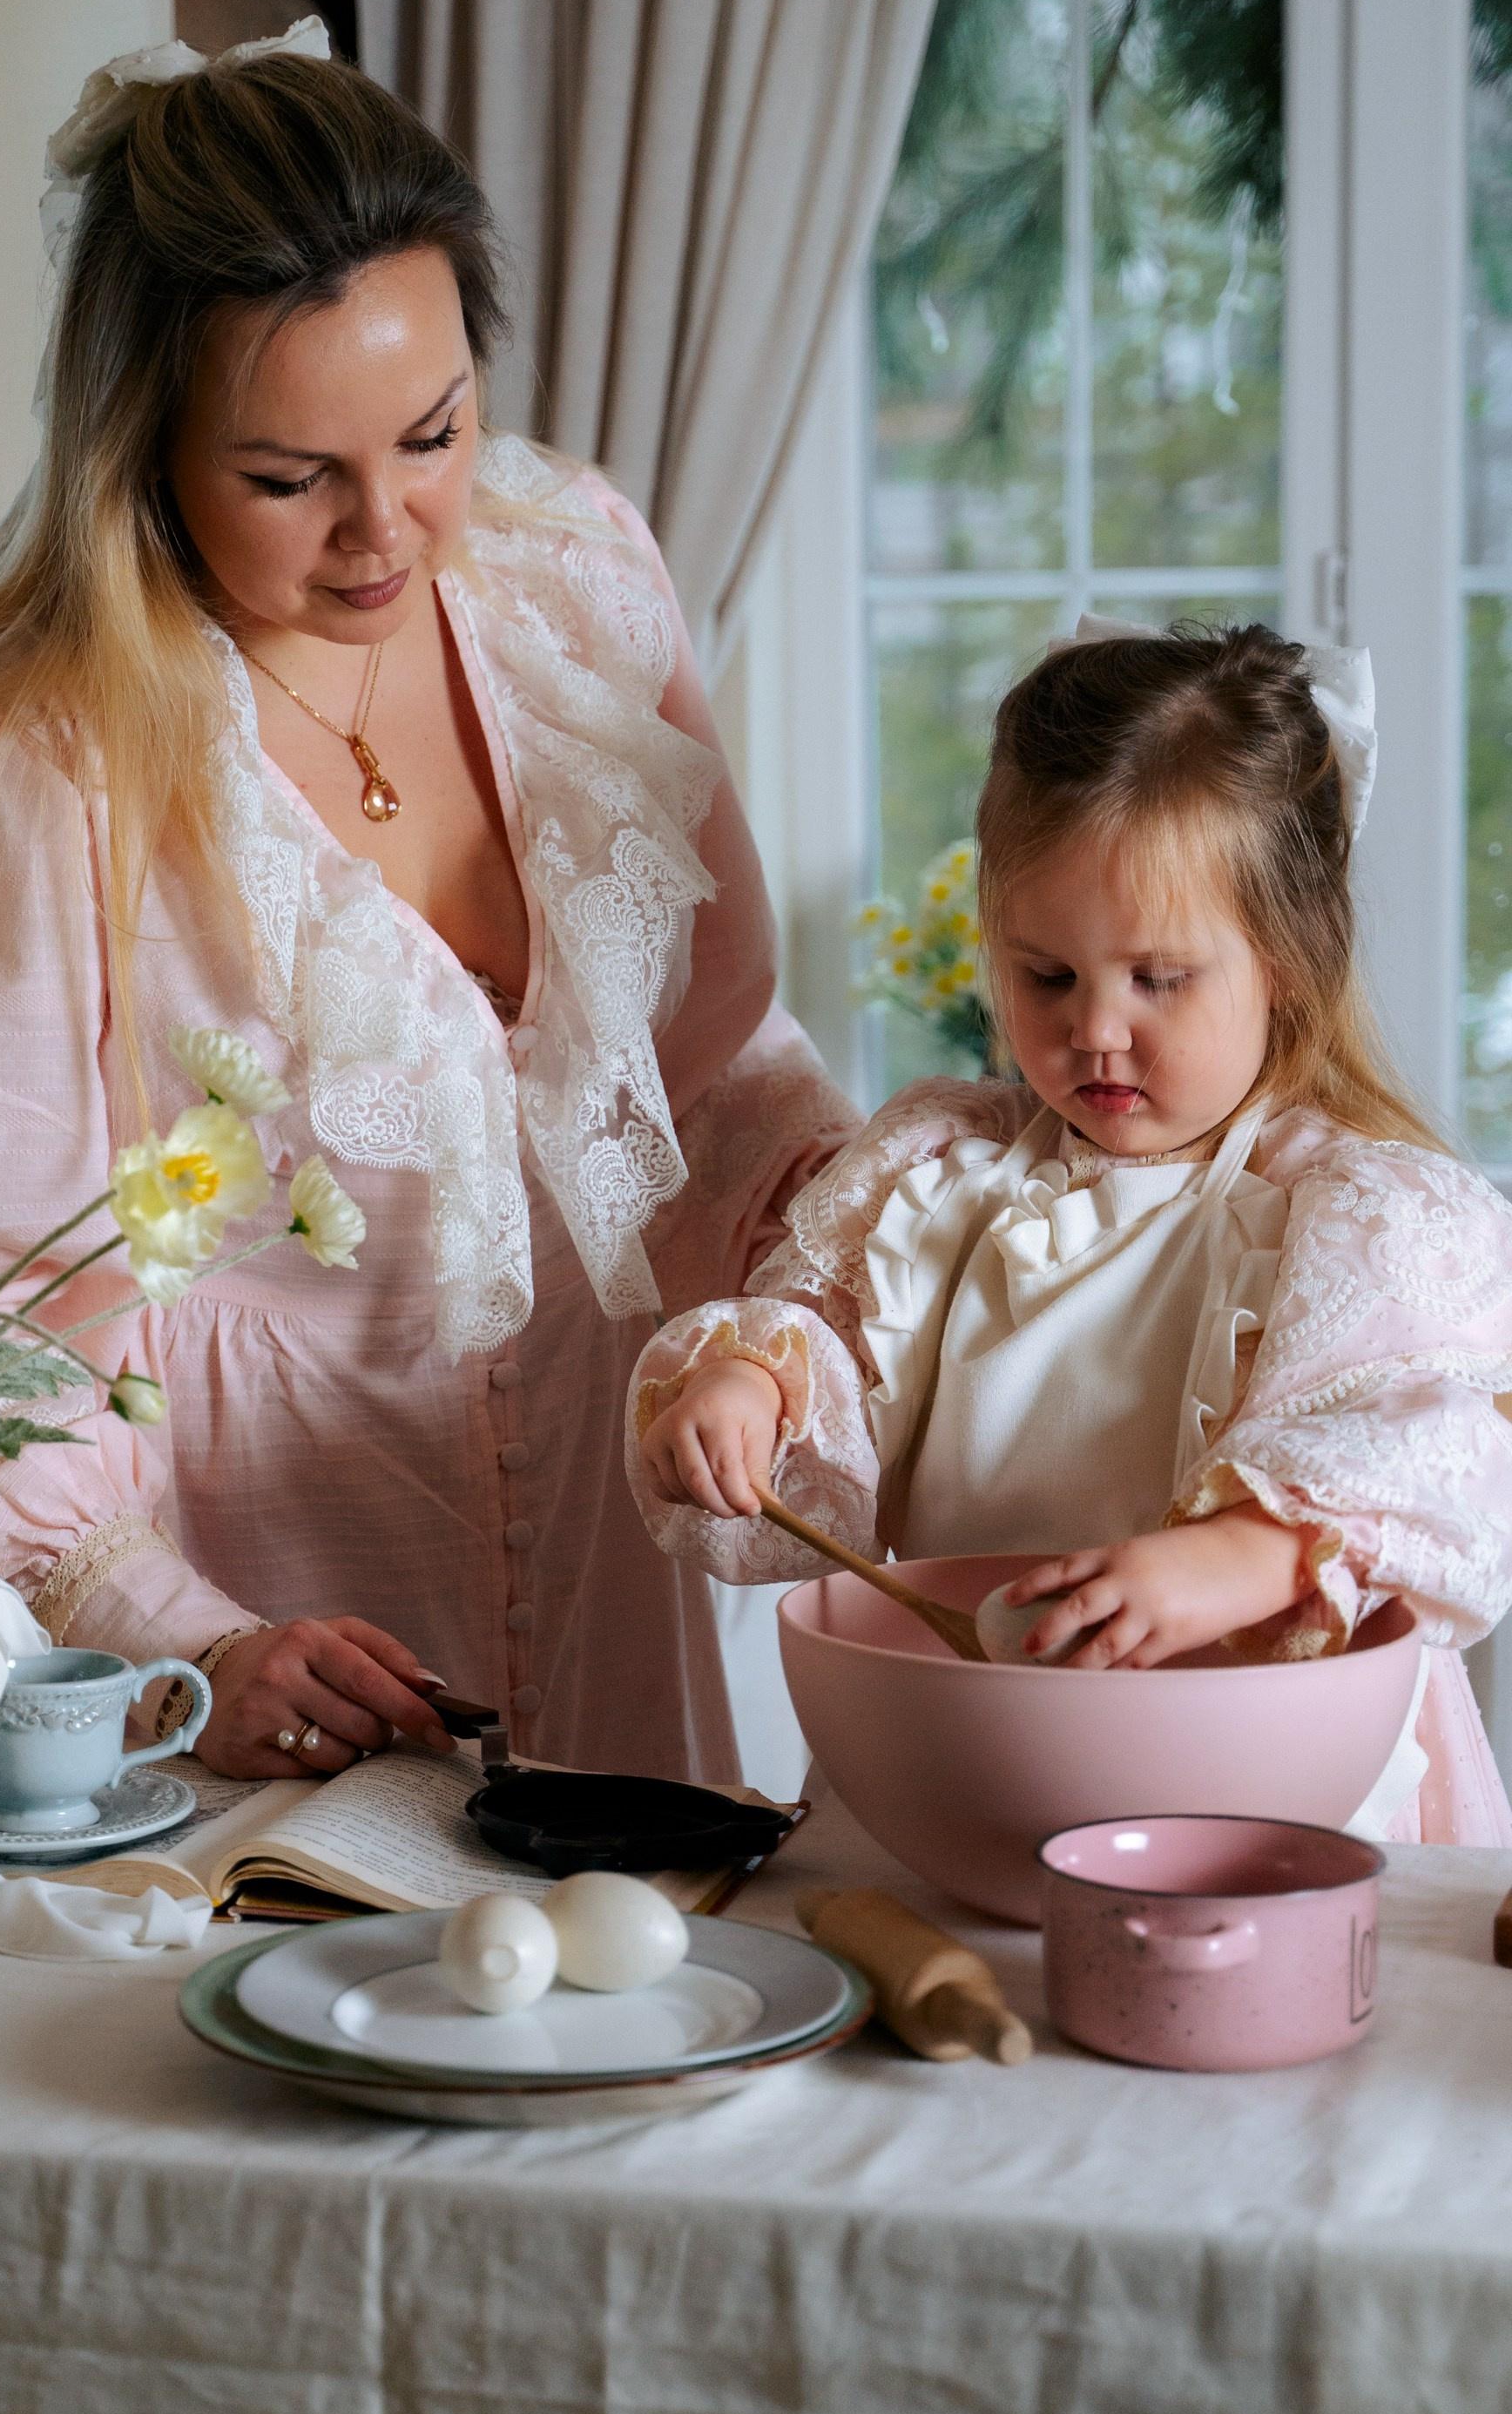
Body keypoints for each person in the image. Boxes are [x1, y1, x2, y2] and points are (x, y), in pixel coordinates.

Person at [0, 20, 856, 1786]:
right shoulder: (19, 758)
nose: (388, 531)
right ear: (140, 446)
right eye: (290, 480)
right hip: (260, 1618)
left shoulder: (574, 575)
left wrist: (882, 1287)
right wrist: (178, 1635)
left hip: (608, 1541)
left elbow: (719, 1069)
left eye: (433, 434)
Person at [631, 619, 1512, 1840]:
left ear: (1287, 963)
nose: (1097, 1030)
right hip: (970, 1759)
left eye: (1158, 979)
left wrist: (1247, 1555)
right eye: (1047, 977)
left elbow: (1432, 1458)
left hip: (1251, 1794)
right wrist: (752, 1384)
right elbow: (829, 1335)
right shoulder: (940, 1170)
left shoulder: (1355, 1216)